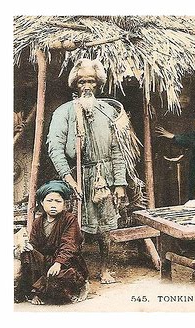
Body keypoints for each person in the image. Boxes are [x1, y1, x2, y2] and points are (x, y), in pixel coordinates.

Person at [47, 58, 128, 284]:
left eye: (91, 81)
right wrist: (69, 179)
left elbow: (117, 149)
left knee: (105, 229)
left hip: (104, 178)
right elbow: (55, 148)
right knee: (76, 228)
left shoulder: (107, 111)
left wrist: (119, 183)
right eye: (82, 81)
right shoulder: (64, 112)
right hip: (78, 176)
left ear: (98, 84)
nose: (86, 86)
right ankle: (77, 272)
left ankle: (104, 270)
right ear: (75, 84)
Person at [14, 180, 89, 305]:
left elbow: (69, 245)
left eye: (58, 201)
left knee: (59, 283)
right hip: (45, 261)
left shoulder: (69, 220)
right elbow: (34, 243)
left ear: (64, 204)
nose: (53, 205)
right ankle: (38, 291)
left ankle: (81, 286)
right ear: (42, 203)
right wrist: (28, 247)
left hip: (66, 262)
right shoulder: (38, 222)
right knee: (27, 254)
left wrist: (58, 263)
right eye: (49, 201)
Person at [156, 109, 195, 201]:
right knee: (193, 192)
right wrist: (174, 137)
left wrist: (174, 136)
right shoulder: (193, 134)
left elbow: (193, 141)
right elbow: (189, 139)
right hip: (194, 169)